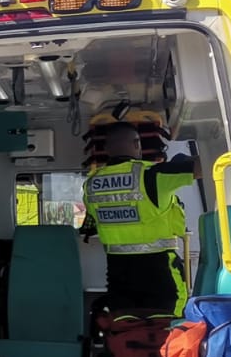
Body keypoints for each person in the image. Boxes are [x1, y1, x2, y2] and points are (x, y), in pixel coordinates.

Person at [83, 122, 199, 316]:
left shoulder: (91, 184)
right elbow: (201, 168)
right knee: (169, 328)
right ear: (137, 144)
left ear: (107, 149)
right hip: (160, 272)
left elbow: (94, 219)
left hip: (118, 274)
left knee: (127, 330)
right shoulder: (151, 175)